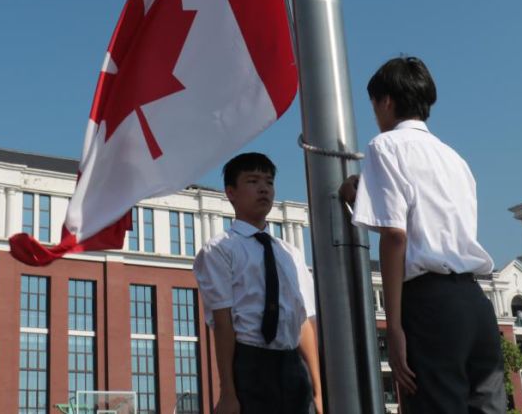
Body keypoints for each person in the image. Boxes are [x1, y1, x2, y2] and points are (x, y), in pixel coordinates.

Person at [340, 56, 503, 414]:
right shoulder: (454, 158)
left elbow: (396, 235)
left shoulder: (384, 146)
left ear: (385, 101)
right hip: (476, 302)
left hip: (430, 305)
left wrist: (394, 327)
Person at [194, 152, 323, 414]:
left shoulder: (290, 253)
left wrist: (318, 392)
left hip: (291, 365)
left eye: (269, 182)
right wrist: (228, 391)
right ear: (231, 192)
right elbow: (223, 320)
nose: (264, 188)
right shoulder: (220, 249)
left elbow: (304, 321)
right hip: (250, 360)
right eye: (253, 181)